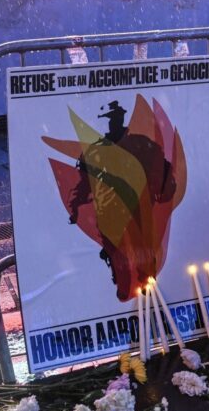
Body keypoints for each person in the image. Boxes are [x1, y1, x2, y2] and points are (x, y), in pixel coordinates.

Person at [65, 100, 176, 302]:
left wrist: (166, 192)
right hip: (110, 214)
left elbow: (165, 170)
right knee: (118, 257)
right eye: (108, 119)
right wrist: (74, 208)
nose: (112, 123)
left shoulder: (142, 144)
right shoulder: (94, 152)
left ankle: (146, 286)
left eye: (114, 118)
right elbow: (83, 184)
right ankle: (124, 290)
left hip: (139, 208)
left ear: (121, 118)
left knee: (144, 252)